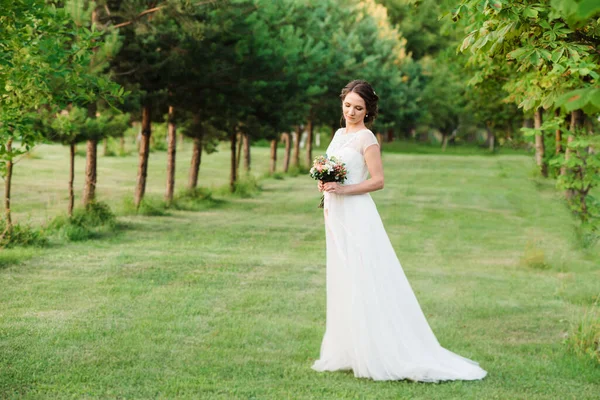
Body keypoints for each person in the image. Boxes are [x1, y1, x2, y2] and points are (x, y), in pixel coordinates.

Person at [312, 80, 487, 382]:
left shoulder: (368, 139)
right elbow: (333, 167)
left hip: (356, 213)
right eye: (348, 105)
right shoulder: (339, 134)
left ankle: (380, 351)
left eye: (358, 108)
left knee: (365, 277)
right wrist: (325, 184)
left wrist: (344, 188)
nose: (351, 112)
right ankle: (349, 350)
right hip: (336, 212)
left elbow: (378, 181)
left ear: (368, 111)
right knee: (343, 277)